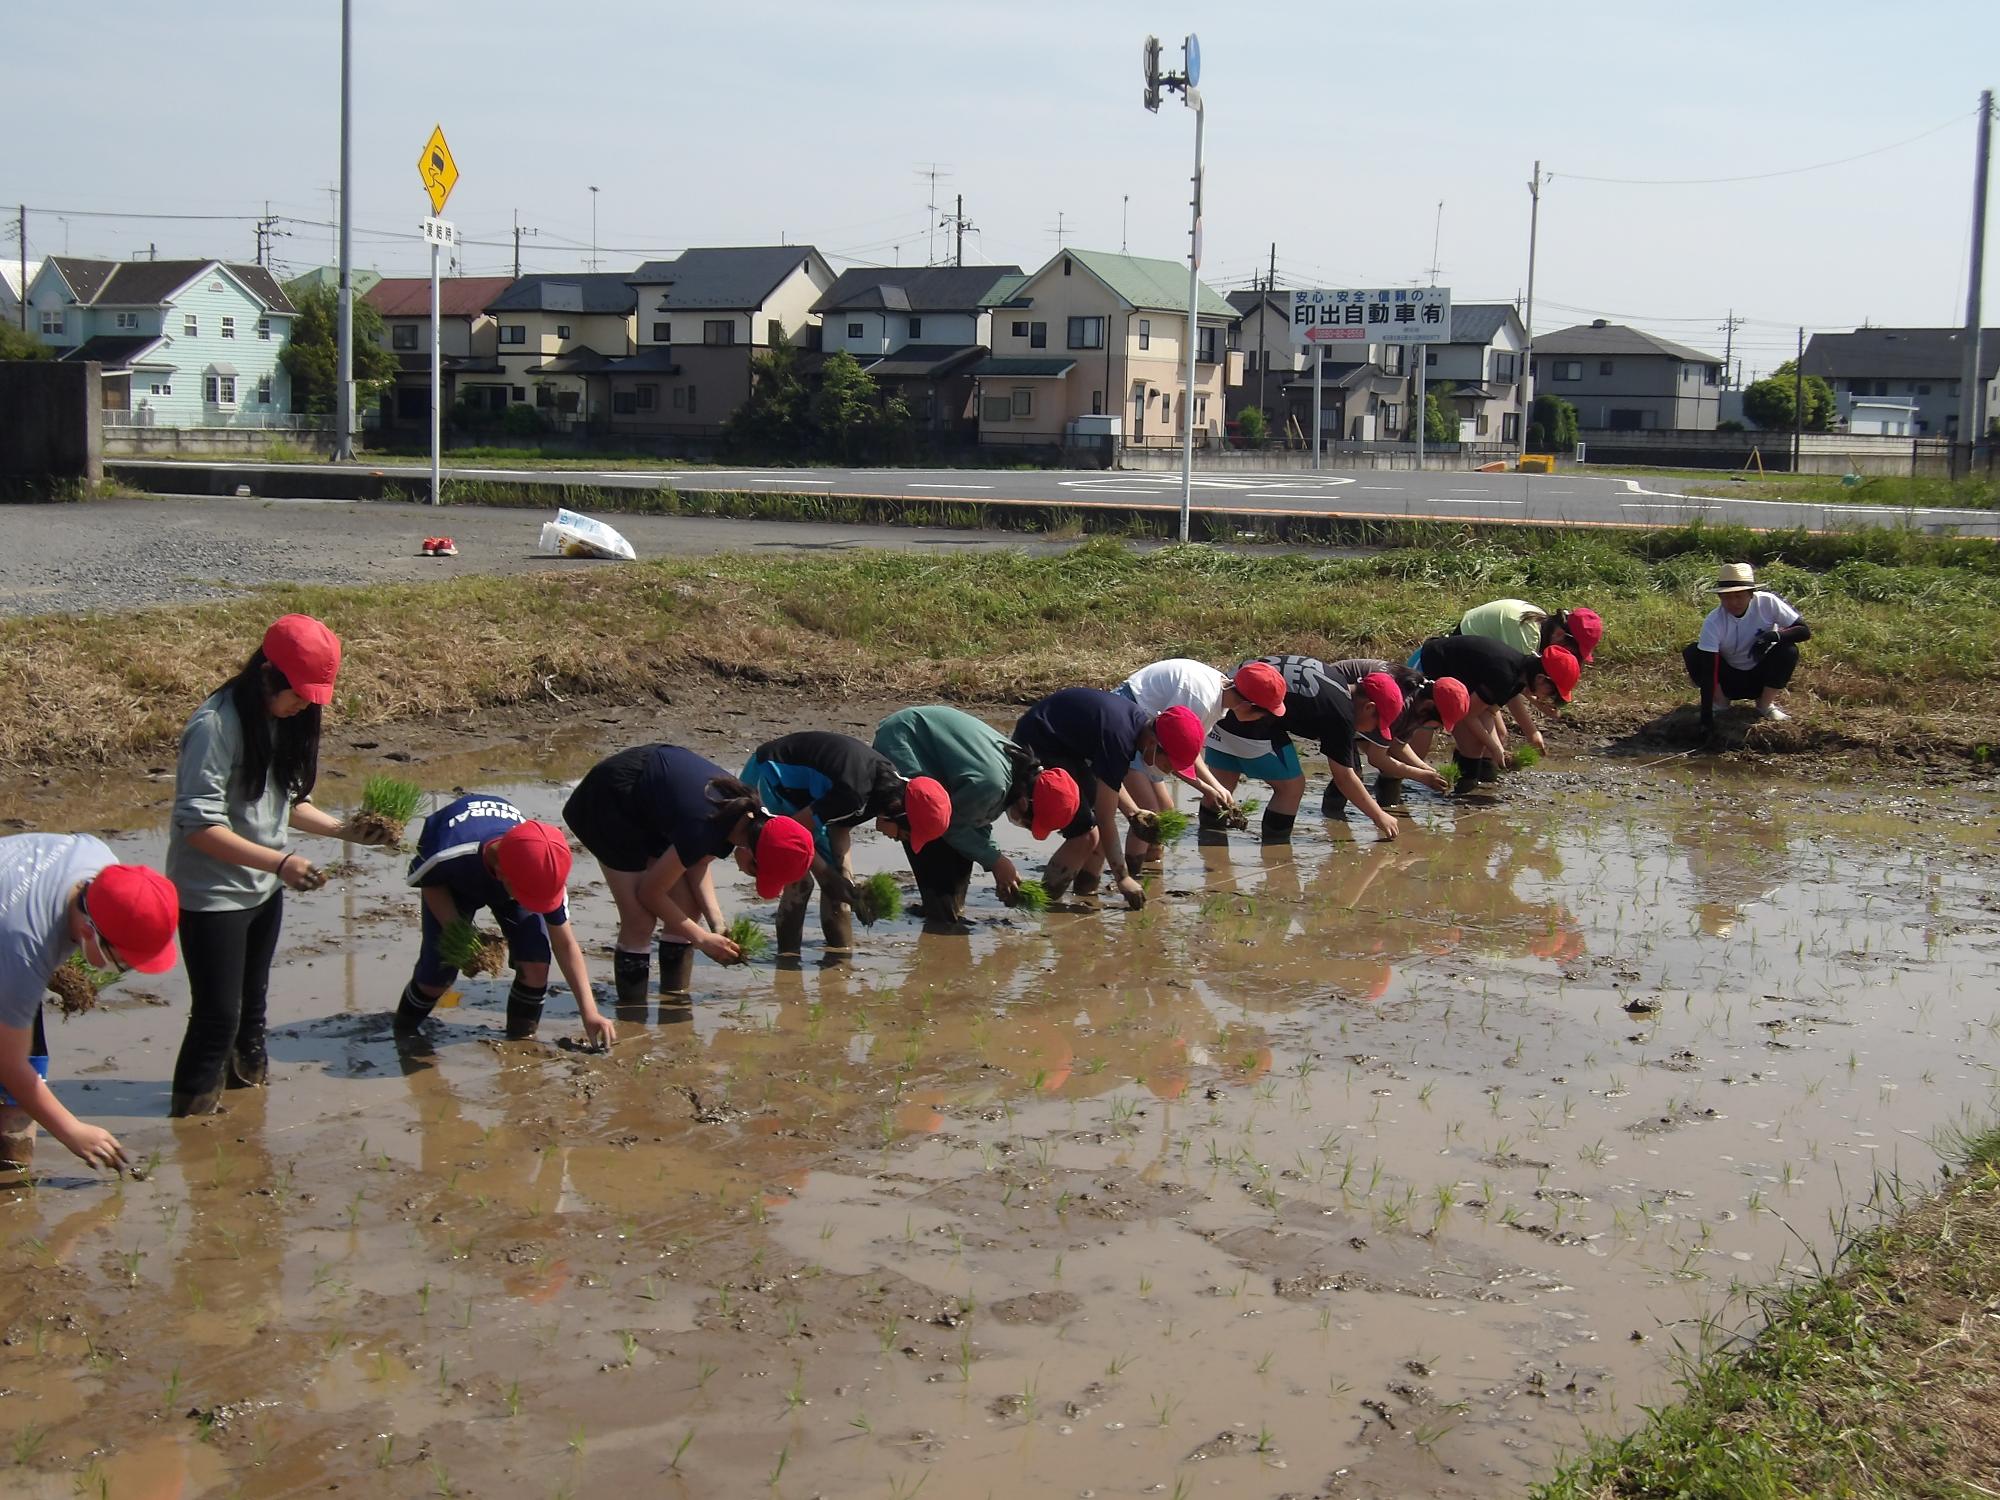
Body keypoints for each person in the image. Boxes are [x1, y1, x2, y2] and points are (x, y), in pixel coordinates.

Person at [166, 615, 391, 1118]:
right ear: (267, 673)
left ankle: (247, 1120)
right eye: (297, 694)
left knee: (253, 1013)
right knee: (217, 1018)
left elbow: (287, 802)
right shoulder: (215, 726)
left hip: (263, 891)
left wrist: (345, 831)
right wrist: (282, 861)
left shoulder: (280, 720)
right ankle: (192, 1126)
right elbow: (198, 826)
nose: (303, 707)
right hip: (213, 897)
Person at [563, 743, 816, 1012]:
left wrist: (716, 925)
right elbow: (650, 892)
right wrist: (702, 939)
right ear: (752, 852)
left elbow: (696, 863)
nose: (749, 876)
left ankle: (675, 1000)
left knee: (688, 907)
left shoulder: (748, 817)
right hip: (609, 799)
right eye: (756, 872)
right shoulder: (707, 824)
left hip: (652, 805)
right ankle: (632, 1015)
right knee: (639, 919)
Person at [0, 841, 177, 1170]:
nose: (125, 971)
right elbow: (9, 1064)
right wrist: (72, 1130)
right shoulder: (23, 950)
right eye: (123, 962)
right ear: (88, 931)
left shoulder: (101, 865)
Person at [393, 796, 615, 1049]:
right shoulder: (448, 853)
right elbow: (430, 884)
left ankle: (520, 1042)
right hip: (452, 883)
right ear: (501, 874)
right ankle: (402, 1033)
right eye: (531, 899)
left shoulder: (543, 868)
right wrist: (461, 934)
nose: (536, 904)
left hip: (516, 872)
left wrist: (590, 1012)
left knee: (536, 964)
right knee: (436, 975)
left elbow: (564, 944)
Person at [740, 732, 952, 957]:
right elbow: (792, 834)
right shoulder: (856, 793)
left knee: (838, 888)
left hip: (803, 798)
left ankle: (840, 958)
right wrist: (827, 876)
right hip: (770, 774)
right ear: (900, 814)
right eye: (905, 835)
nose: (898, 839)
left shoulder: (885, 788)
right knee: (800, 880)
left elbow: (839, 827)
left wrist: (844, 878)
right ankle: (788, 962)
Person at [871, 705, 1081, 923]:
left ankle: (950, 909)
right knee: (927, 825)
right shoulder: (992, 784)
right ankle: (939, 913)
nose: (1024, 825)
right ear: (1025, 803)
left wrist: (996, 860)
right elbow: (953, 826)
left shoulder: (1015, 772)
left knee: (962, 844)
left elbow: (975, 818)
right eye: (1029, 823)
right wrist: (997, 862)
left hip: (922, 744)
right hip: (904, 741)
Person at [1011, 688, 1205, 907]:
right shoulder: (1119, 738)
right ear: (1153, 743)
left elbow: (1109, 782)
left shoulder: (1133, 727)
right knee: (1086, 835)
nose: (1168, 772)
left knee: (1101, 839)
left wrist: (1133, 812)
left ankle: (1085, 894)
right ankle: (1042, 904)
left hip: (1069, 751)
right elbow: (1106, 817)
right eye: (1169, 764)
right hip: (1039, 745)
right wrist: (1123, 878)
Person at [1203, 658, 1408, 842]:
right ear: (1369, 708)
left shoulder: (1335, 677)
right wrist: (1379, 815)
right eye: (1377, 724)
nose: (1373, 731)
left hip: (1222, 702)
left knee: (1222, 784)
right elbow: (1344, 777)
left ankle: (1210, 846)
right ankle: (1277, 853)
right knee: (1291, 788)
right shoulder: (1340, 714)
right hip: (1246, 711)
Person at [1115, 658, 1284, 865]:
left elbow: (1188, 750)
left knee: (1166, 809)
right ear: (1248, 705)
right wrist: (1206, 788)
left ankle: (1152, 867)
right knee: (1149, 811)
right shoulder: (1201, 700)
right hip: (1127, 723)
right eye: (1264, 714)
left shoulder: (1220, 695)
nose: (1262, 720)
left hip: (1153, 734)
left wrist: (1216, 786)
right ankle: (1132, 875)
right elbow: (1173, 755)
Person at [1411, 635, 1580, 787]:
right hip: (1424, 668)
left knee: (1475, 745)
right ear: (1541, 679)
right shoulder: (1505, 676)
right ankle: (1395, 787)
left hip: (1455, 683)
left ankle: (1460, 795)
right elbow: (1469, 715)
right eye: (1552, 693)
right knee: (1419, 751)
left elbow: (1488, 712)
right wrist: (1495, 748)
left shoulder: (1518, 679)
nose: (1547, 698)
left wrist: (1499, 749)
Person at [1315, 665, 1473, 816]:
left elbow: (1398, 745)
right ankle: (1333, 817)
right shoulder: (1401, 704)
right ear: (1429, 706)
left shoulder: (1418, 702)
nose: (1439, 728)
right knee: (1352, 772)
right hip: (1330, 700)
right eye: (1440, 722)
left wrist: (1426, 770)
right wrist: (1421, 776)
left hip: (1360, 710)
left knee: (1390, 767)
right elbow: (1376, 758)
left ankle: (1383, 807)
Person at [1684, 562, 1812, 727]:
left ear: (1751, 594)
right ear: (1720, 598)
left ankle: (1764, 706)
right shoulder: (1714, 621)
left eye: (1739, 596)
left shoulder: (1768, 603)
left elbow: (1803, 631)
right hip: (1730, 680)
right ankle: (1721, 704)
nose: (1733, 602)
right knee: (1694, 651)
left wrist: (1773, 636)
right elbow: (1709, 670)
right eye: (1727, 597)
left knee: (1788, 650)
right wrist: (1706, 715)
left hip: (1760, 676)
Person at [1457, 599, 1603, 665]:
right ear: (1560, 635)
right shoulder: (1527, 637)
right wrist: (1533, 727)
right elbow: (1512, 689)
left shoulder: (1539, 620)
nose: (1569, 656)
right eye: (1573, 652)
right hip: (1460, 645)